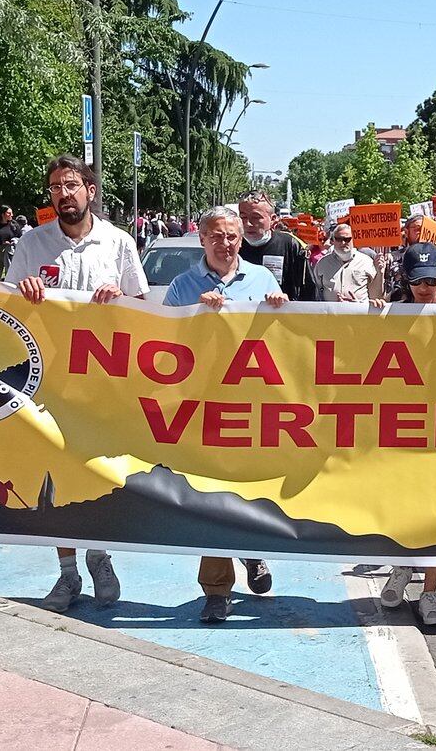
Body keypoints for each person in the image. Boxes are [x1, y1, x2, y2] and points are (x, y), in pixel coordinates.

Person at [8, 156, 148, 613]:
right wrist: (22, 294)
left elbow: (143, 312)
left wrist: (121, 301)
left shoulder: (119, 242)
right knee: (54, 476)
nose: (63, 194)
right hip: (49, 383)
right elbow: (7, 308)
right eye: (54, 187)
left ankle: (100, 556)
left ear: (90, 190)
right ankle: (67, 575)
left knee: (98, 474)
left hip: (104, 384)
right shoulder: (32, 244)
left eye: (71, 185)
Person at [163, 206, 292, 622]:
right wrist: (191, 317)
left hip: (254, 406)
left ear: (241, 239)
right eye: (216, 236)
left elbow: (288, 341)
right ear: (202, 239)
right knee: (211, 497)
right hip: (203, 409)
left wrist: (281, 308)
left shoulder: (263, 279)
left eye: (232, 236)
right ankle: (217, 591)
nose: (225, 243)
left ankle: (253, 551)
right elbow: (160, 345)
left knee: (251, 492)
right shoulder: (182, 287)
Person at [373, 243, 436, 626]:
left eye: (433, 281)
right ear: (406, 281)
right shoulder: (388, 313)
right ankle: (401, 566)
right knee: (404, 506)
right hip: (404, 426)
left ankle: (430, 593)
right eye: (419, 281)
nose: (426, 288)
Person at [237, 191, 315, 302]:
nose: (248, 224)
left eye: (256, 217)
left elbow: (307, 290)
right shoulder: (232, 245)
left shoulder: (290, 244)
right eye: (243, 217)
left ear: (273, 219)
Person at [313, 221, 382, 301]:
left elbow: (376, 296)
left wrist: (380, 272)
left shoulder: (367, 262)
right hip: (330, 312)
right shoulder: (322, 264)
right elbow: (317, 292)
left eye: (347, 239)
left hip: (359, 312)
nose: (343, 242)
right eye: (338, 239)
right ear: (332, 240)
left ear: (353, 239)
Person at [0, 206, 20, 281]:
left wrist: (12, 242)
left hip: (11, 253)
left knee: (10, 278)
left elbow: (20, 240)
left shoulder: (14, 225)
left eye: (11, 213)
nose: (12, 215)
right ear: (2, 214)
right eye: (9, 213)